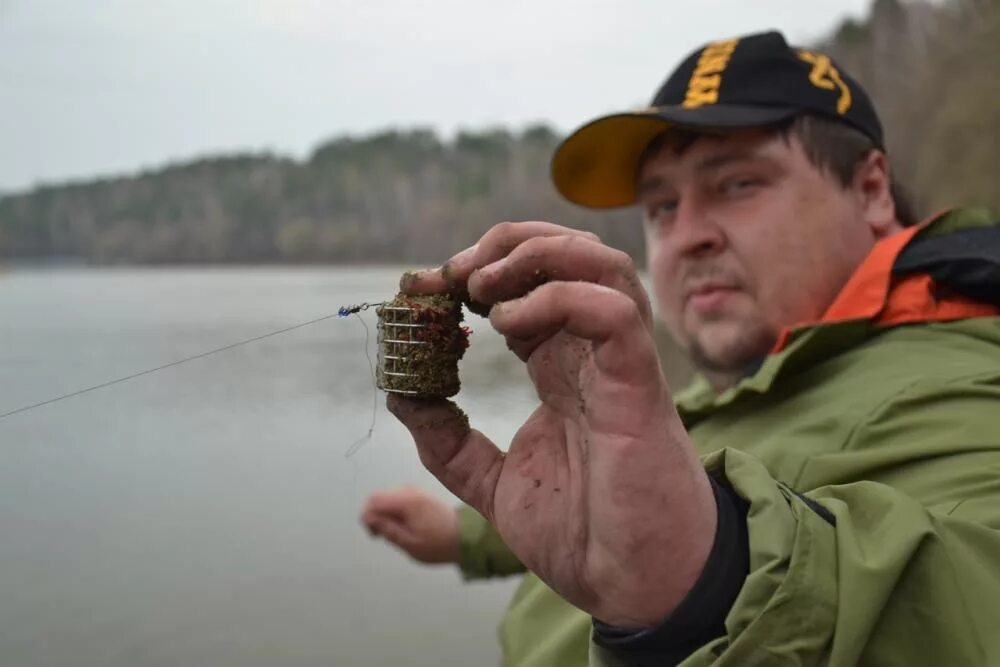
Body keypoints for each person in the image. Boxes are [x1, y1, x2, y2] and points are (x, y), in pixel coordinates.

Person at [361, 30, 1000, 666]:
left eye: (738, 184)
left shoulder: (959, 389)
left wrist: (710, 581)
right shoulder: (732, 387)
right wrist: (464, 535)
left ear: (871, 190)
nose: (686, 235)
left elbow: (972, 600)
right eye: (662, 206)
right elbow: (627, 493)